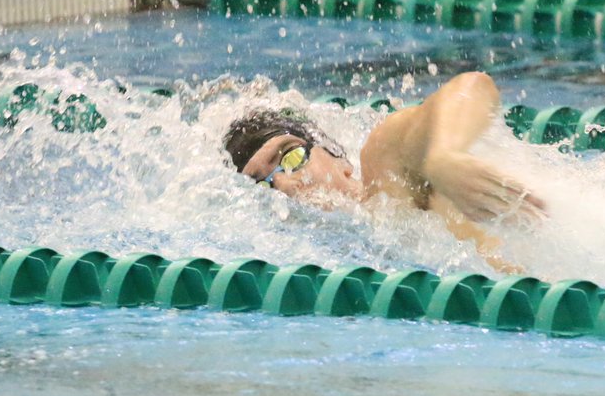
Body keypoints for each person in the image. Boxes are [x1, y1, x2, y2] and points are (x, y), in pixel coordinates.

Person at [224, 72, 545, 269]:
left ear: (336, 155)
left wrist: (444, 158)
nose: (284, 184)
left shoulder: (386, 174)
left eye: (291, 157)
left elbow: (475, 86)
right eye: (264, 187)